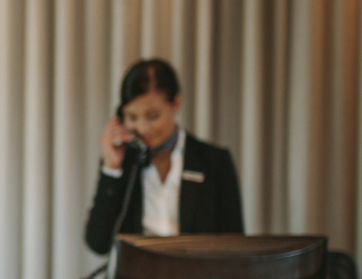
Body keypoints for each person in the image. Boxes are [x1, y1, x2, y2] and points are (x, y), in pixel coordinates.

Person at [84, 59, 244, 256]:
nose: (143, 128)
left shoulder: (214, 161)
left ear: (176, 103)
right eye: (132, 117)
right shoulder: (123, 162)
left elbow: (234, 245)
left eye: (153, 116)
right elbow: (98, 244)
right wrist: (111, 169)